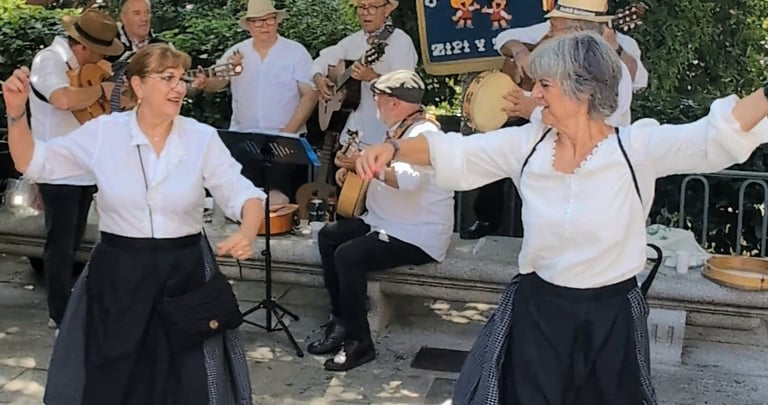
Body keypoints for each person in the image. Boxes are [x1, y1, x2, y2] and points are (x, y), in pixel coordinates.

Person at [357, 32, 768, 404]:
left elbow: (714, 136)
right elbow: (455, 153)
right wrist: (393, 150)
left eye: (545, 85)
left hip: (610, 318)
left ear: (581, 91)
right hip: (539, 311)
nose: (533, 94)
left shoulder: (635, 148)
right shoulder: (528, 145)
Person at [2, 43, 264, 404]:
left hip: (185, 271)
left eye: (181, 79)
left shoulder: (201, 138)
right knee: (114, 373)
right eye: (167, 78)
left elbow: (246, 195)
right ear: (138, 86)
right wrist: (16, 115)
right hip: (119, 272)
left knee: (187, 380)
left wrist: (247, 232)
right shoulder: (103, 133)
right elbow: (34, 162)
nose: (179, 87)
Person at [461, 0, 649, 240]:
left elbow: (596, 123)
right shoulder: (564, 58)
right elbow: (505, 39)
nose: (548, 32)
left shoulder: (612, 73)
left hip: (594, 173)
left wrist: (532, 110)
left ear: (577, 30)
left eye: (555, 27)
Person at [307, 70, 455, 372]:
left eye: (379, 99)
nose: (375, 105)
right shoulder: (399, 130)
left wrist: (364, 166)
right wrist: (349, 173)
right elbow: (378, 172)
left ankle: (360, 343)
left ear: (395, 103)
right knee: (329, 235)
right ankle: (340, 321)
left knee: (349, 256)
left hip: (417, 234)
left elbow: (408, 182)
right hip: (384, 222)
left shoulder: (425, 136)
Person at [27, 9, 124, 330]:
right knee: (60, 246)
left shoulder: (85, 67)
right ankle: (60, 313)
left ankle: (77, 304)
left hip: (83, 169)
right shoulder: (49, 60)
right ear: (83, 46)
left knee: (74, 241)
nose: (100, 59)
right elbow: (63, 100)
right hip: (57, 170)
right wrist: (100, 92)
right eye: (99, 52)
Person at [191, 0, 316, 203]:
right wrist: (204, 83)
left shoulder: (295, 52)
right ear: (248, 25)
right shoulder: (236, 53)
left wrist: (287, 133)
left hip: (285, 140)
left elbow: (310, 95)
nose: (264, 25)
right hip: (244, 139)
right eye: (257, 21)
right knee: (244, 198)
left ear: (276, 21)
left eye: (268, 19)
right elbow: (217, 82)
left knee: (279, 200)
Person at [312, 0, 418, 149]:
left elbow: (407, 90)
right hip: (351, 137)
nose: (365, 13)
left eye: (372, 7)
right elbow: (320, 61)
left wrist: (374, 77)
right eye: (361, 7)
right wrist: (318, 78)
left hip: (384, 140)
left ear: (387, 9)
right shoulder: (352, 42)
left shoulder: (401, 42)